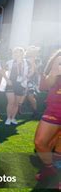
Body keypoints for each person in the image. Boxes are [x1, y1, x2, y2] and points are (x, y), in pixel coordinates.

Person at [34, 49, 60, 183]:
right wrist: (55, 70)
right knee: (40, 142)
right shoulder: (57, 60)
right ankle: (49, 169)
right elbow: (46, 85)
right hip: (53, 110)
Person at [2, 47, 29, 125]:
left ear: (22, 53)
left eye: (19, 52)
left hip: (21, 84)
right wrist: (7, 80)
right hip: (11, 84)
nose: (17, 54)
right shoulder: (9, 62)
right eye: (15, 52)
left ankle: (13, 118)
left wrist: (25, 79)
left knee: (16, 103)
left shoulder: (26, 63)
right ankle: (8, 118)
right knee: (11, 102)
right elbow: (2, 71)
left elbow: (30, 72)